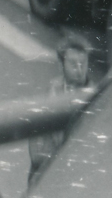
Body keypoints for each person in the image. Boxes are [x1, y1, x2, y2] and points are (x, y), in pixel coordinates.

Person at [28, 34, 92, 182]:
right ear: (61, 64)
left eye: (83, 63)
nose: (79, 69)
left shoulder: (94, 97)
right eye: (73, 64)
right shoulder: (51, 90)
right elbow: (36, 132)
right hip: (44, 169)